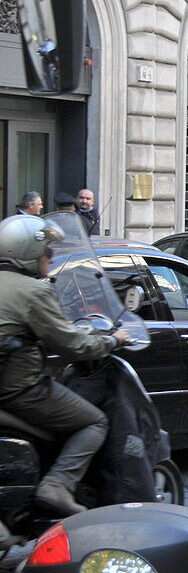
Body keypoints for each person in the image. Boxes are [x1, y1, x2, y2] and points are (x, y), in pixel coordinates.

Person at [0, 215, 129, 518]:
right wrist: (112, 341)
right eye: (48, 251)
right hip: (21, 391)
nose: (52, 257)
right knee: (94, 422)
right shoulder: (32, 291)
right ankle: (57, 484)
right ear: (28, 254)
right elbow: (71, 345)